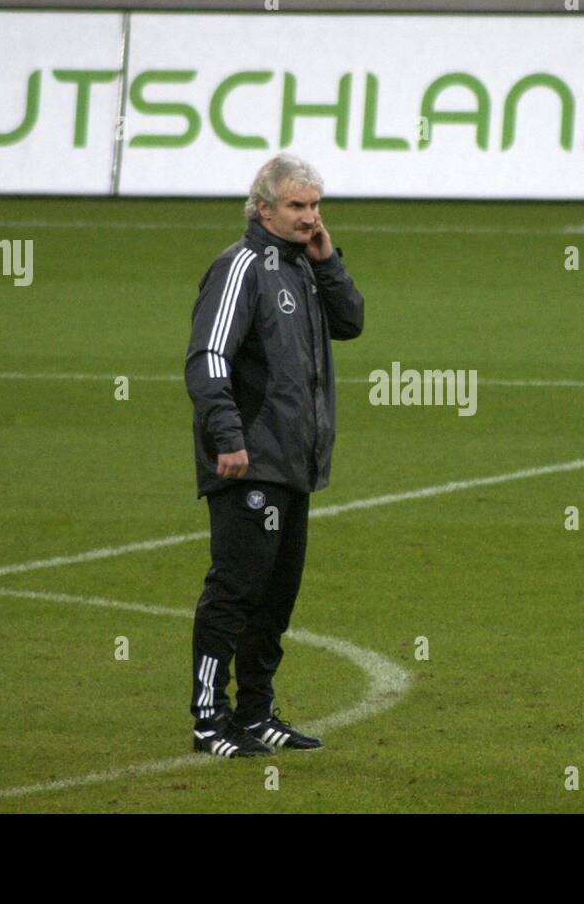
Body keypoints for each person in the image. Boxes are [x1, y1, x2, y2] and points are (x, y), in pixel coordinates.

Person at [184, 154, 365, 757]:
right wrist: (228, 437)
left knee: (276, 596)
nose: (310, 218)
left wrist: (327, 260)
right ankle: (209, 719)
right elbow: (209, 358)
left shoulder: (305, 267)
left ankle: (257, 712)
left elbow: (352, 322)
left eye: (315, 206)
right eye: (297, 206)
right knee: (236, 589)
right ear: (263, 208)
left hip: (294, 462)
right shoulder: (239, 267)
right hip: (248, 460)